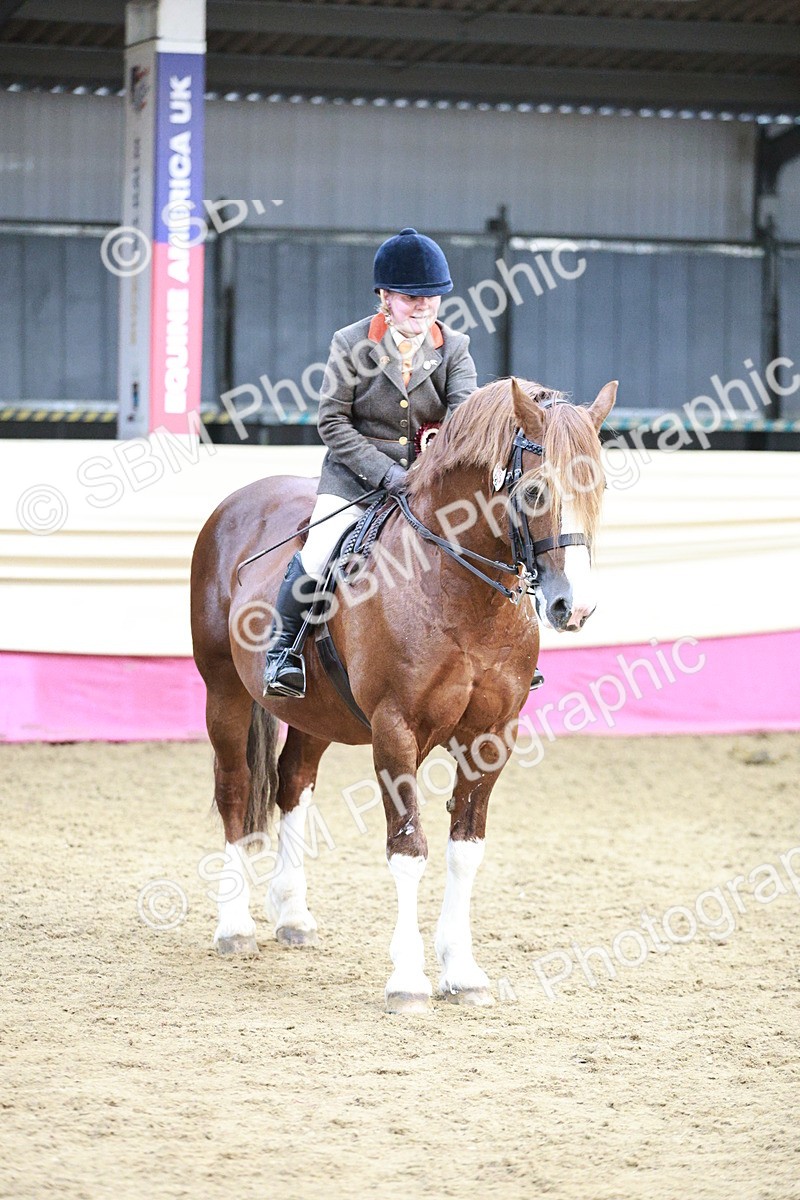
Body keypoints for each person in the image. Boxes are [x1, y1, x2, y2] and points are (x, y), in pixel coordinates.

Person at [263, 227, 478, 698]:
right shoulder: (351, 342)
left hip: (428, 480)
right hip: (356, 478)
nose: (422, 307)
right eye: (409, 298)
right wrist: (387, 475)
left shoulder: (454, 347)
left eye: (431, 298)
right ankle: (283, 652)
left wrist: (427, 476)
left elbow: (465, 421)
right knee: (320, 549)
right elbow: (332, 422)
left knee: (489, 538)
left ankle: (496, 654)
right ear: (384, 296)